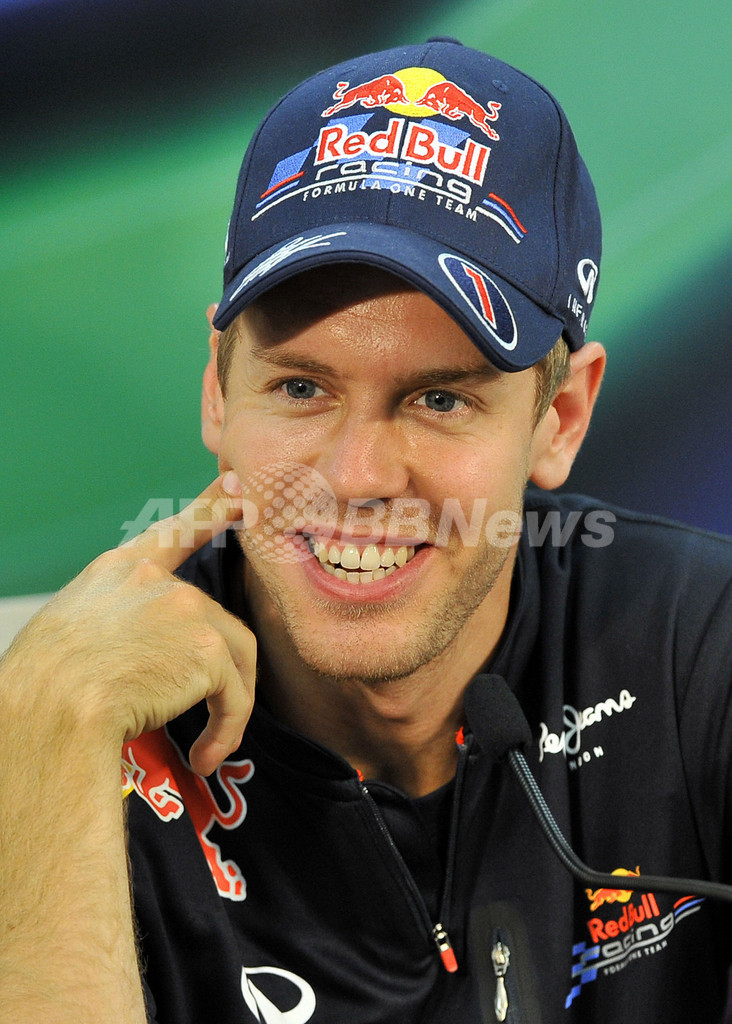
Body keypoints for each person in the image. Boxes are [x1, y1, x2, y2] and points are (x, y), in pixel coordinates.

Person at [1, 38, 730, 1024]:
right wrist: (45, 753)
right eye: (301, 388)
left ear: (559, 420)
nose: (356, 477)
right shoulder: (66, 733)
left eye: (440, 399)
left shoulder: (700, 648)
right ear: (218, 391)